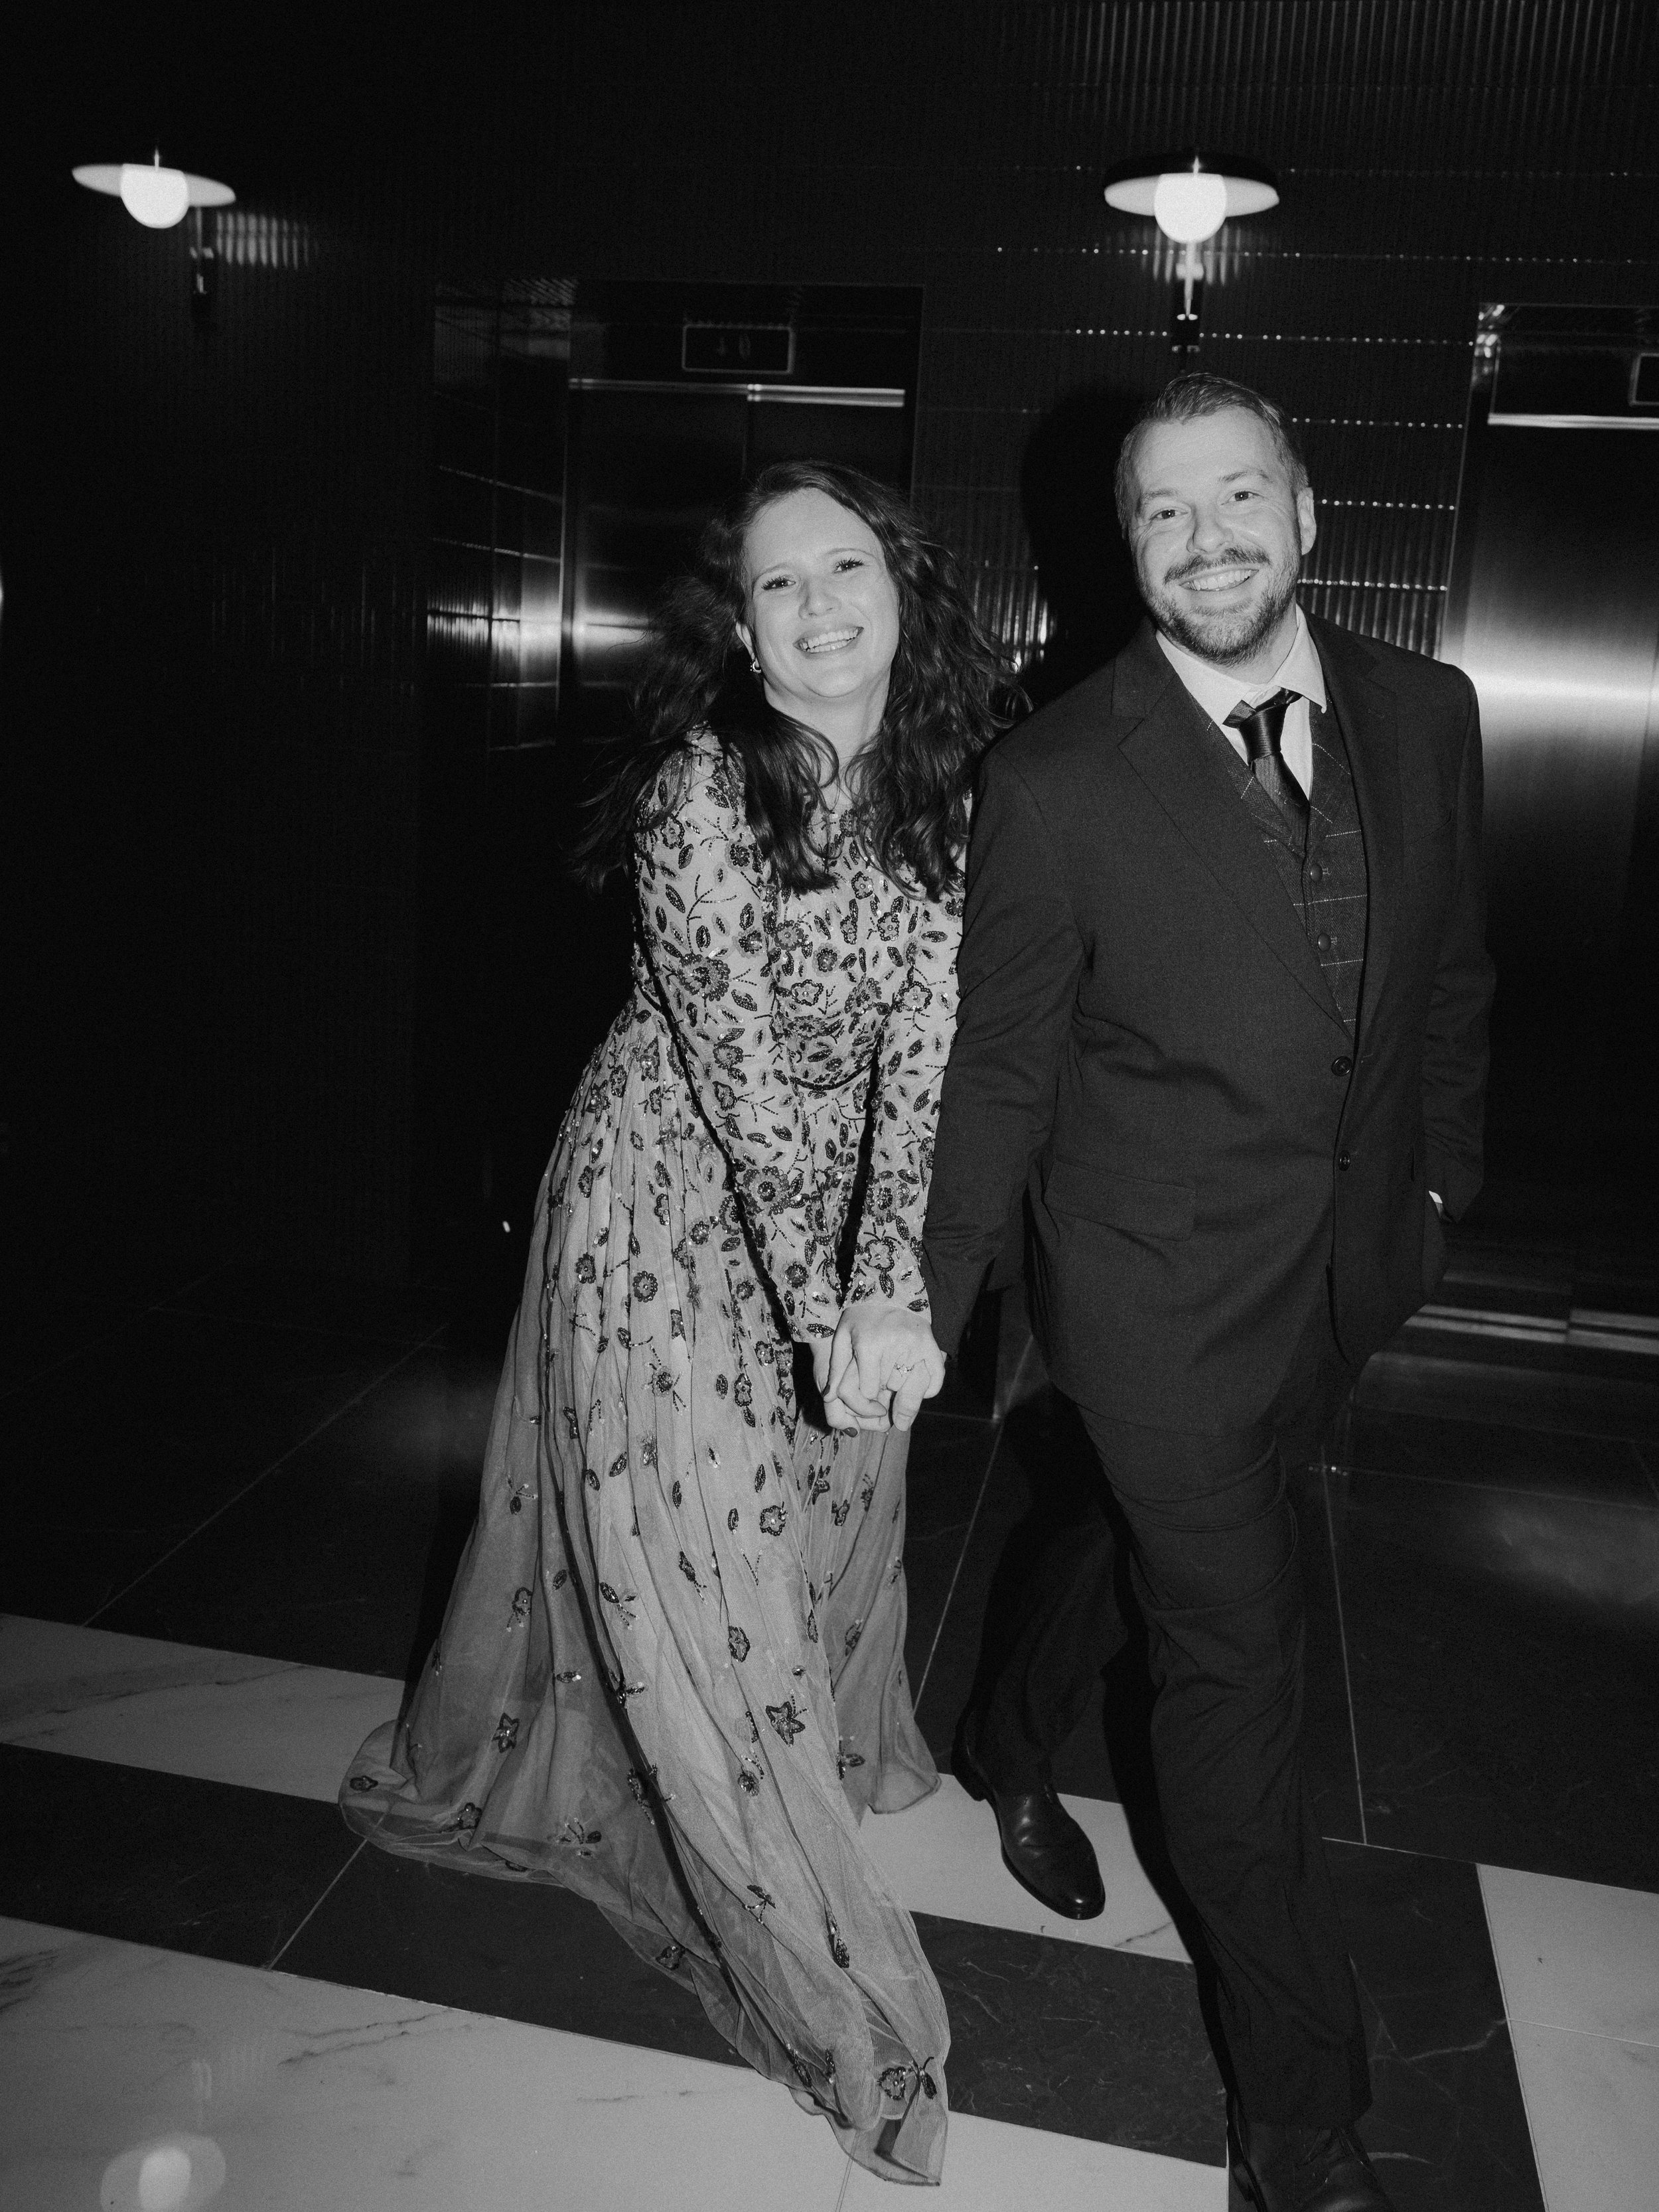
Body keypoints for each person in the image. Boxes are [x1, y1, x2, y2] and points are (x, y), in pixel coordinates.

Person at [843, 374, 1494, 2212]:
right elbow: (1001, 1069)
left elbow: (1453, 981)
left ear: (1305, 515)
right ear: (1120, 547)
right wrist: (926, 1291)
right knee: (1238, 1670)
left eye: (1237, 500)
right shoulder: (1055, 778)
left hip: (1348, 1269)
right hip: (1149, 1293)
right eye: (1161, 513)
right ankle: (1299, 2113)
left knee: (1136, 1545)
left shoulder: (1424, 714)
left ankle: (1002, 1738)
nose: (1205, 541)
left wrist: (1438, 1191)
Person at [340, 459, 1007, 2183]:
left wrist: (888, 1282)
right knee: (697, 1581)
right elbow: (743, 1090)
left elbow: (921, 1052)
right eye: (774, 587)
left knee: (819, 1526)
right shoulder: (704, 796)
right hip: (660, 1212)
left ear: (900, 586)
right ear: (741, 626)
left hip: (832, 1221)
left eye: (841, 565)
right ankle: (839, 2005)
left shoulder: (948, 783)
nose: (814, 606)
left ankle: (817, 1749)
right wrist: (830, 1307)